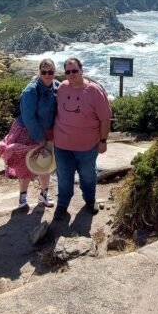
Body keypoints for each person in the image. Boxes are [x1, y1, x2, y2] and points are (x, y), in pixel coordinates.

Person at [53, 57, 111, 219]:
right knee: (64, 176)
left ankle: (90, 200)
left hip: (88, 146)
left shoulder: (94, 91)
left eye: (74, 71)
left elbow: (105, 118)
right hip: (62, 145)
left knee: (88, 175)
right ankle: (62, 205)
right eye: (68, 72)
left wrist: (103, 140)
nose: (71, 74)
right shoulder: (62, 88)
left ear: (81, 70)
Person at [0, 58, 59, 208]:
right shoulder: (31, 91)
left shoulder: (57, 87)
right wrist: (40, 139)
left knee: (45, 164)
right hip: (27, 131)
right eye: (44, 72)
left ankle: (44, 195)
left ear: (55, 72)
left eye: (50, 72)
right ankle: (23, 197)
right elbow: (28, 117)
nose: (47, 75)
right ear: (39, 72)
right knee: (24, 166)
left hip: (47, 131)